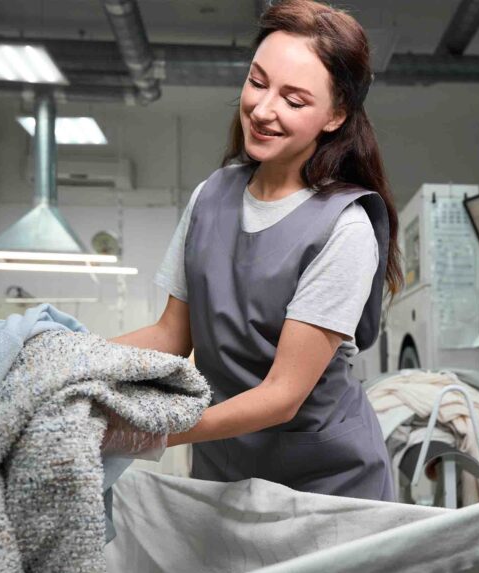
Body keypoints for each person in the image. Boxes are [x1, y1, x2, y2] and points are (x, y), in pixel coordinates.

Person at [109, 0, 402, 501]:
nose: (263, 110)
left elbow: (282, 396)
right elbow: (172, 335)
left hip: (325, 485)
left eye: (294, 99)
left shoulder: (344, 227)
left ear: (335, 115)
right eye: (258, 82)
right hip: (225, 472)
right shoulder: (211, 197)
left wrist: (144, 434)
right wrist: (69, 363)